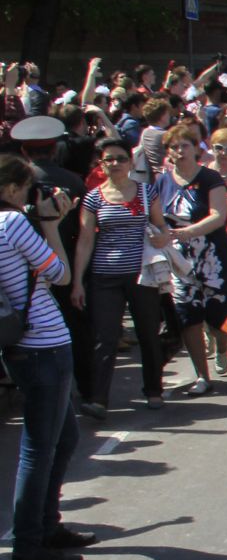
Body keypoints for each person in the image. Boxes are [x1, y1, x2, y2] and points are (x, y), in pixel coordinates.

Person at [1, 154, 89, 560]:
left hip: (22, 346)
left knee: (65, 437)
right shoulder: (14, 223)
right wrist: (51, 225)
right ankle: (28, 544)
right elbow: (59, 273)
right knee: (38, 448)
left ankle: (46, 526)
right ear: (13, 190)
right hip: (44, 343)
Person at [70, 135, 168, 416]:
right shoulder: (93, 198)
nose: (115, 163)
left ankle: (153, 390)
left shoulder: (147, 193)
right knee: (105, 337)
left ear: (130, 161)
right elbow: (86, 241)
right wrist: (78, 281)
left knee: (148, 333)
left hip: (142, 276)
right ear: (100, 164)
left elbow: (161, 226)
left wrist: (162, 237)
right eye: (109, 159)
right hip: (104, 276)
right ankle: (99, 399)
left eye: (120, 158)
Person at [153, 123, 227, 397]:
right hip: (179, 258)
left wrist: (189, 231)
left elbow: (218, 215)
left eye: (184, 145)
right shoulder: (162, 181)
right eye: (173, 147)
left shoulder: (210, 178)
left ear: (195, 148)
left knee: (219, 316)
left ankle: (222, 347)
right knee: (188, 315)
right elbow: (156, 217)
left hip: (212, 253)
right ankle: (202, 375)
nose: (179, 151)